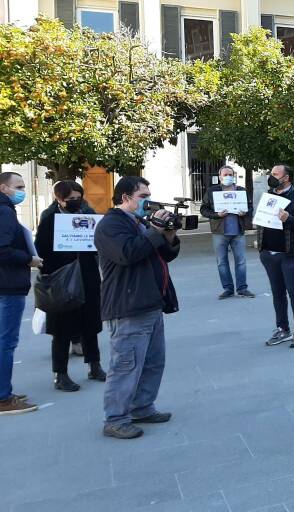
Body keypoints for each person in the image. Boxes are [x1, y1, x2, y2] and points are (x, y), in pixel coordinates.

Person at [94, 176, 180, 439]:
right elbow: (128, 254)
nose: (148, 201)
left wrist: (169, 233)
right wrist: (154, 231)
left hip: (151, 302)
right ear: (125, 198)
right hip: (128, 305)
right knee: (126, 364)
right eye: (143, 196)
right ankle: (116, 418)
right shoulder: (110, 225)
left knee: (154, 362)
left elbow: (166, 254)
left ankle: (142, 406)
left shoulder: (139, 222)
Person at [34, 181, 106, 392]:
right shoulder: (50, 218)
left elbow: (98, 242)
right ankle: (61, 373)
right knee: (62, 328)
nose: (76, 202)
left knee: (91, 323)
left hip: (88, 275)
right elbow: (41, 250)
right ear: (59, 199)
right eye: (71, 199)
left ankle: (95, 365)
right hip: (63, 278)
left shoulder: (87, 213)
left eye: (78, 197)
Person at [258, 165, 294, 349]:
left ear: (286, 178)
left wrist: (289, 218)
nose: (272, 177)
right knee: (277, 293)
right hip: (269, 253)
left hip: (291, 253)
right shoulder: (268, 195)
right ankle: (282, 328)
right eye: (271, 174)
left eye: (275, 174)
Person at [0, 172, 43, 415]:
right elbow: (2, 250)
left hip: (5, 284)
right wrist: (30, 259)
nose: (22, 190)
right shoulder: (5, 211)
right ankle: (3, 399)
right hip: (8, 285)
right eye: (18, 186)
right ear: (3, 188)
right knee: (6, 342)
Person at [200, 165, 255, 299]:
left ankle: (242, 288)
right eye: (225, 175)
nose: (227, 177)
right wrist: (217, 214)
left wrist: (245, 212)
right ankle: (228, 289)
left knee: (241, 261)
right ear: (219, 177)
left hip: (238, 231)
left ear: (233, 176)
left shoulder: (241, 190)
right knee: (222, 262)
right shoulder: (212, 191)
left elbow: (250, 207)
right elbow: (203, 210)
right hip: (220, 232)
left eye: (230, 174)